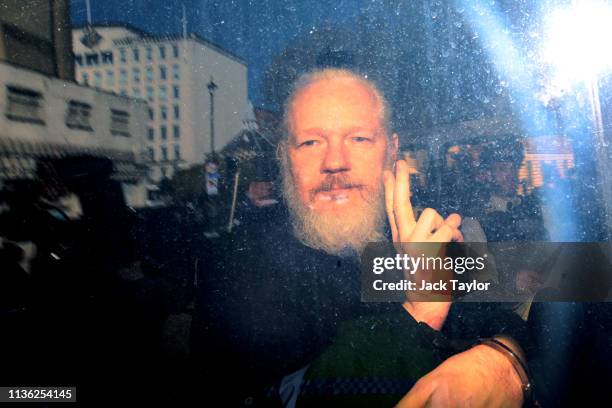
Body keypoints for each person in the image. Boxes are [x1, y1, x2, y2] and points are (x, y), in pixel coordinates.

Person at [191, 68, 531, 406]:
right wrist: (417, 315)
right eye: (311, 142)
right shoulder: (241, 262)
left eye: (358, 139)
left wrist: (505, 357)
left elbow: (529, 319)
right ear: (285, 156)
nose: (335, 162)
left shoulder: (420, 237)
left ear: (392, 150)